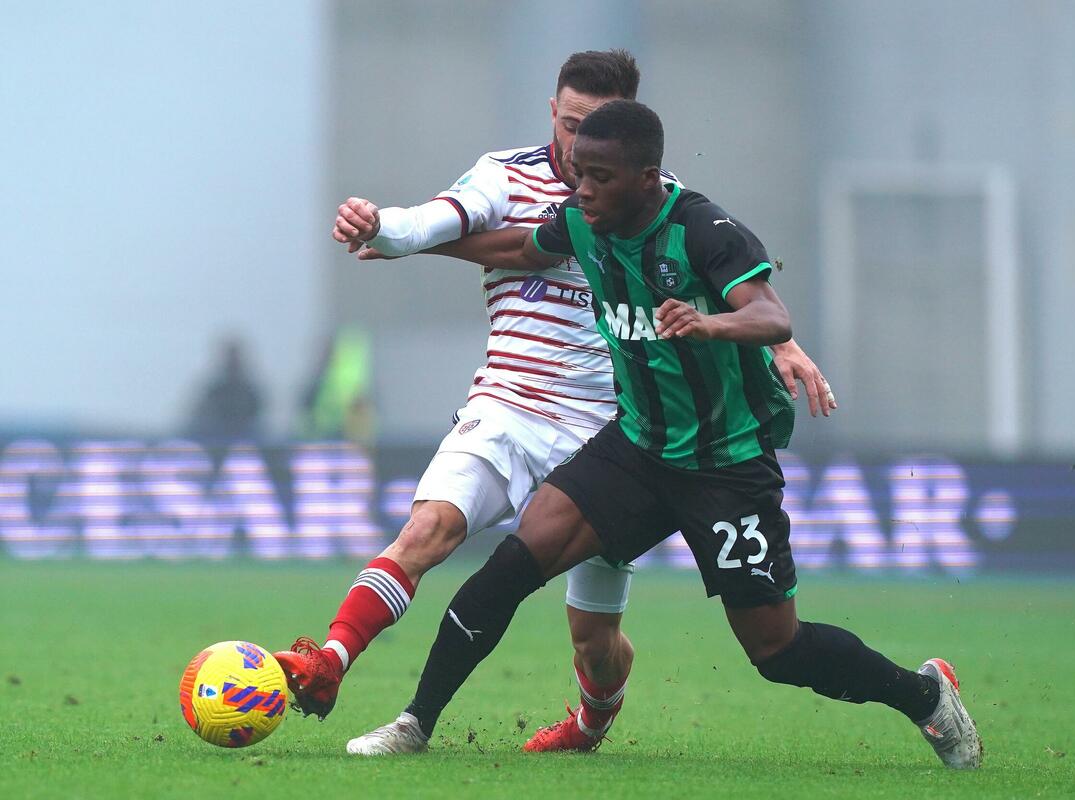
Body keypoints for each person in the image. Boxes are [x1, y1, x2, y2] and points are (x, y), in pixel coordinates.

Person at [355, 100, 981, 767]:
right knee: (511, 565)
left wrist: (711, 324)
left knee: (777, 649)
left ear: (647, 177)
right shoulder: (582, 220)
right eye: (578, 173)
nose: (582, 189)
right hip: (637, 448)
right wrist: (403, 240)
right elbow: (517, 248)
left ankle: (924, 696)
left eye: (600, 177)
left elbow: (772, 317)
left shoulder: (705, 231)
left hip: (725, 464)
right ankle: (414, 724)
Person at [275, 50, 836, 755]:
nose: (575, 147)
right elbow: (449, 224)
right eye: (568, 124)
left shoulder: (656, 201)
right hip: (509, 407)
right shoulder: (506, 176)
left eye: (592, 128)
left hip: (613, 428)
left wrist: (782, 344)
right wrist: (386, 230)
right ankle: (338, 667)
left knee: (596, 640)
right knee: (430, 531)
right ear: (552, 111)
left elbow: (724, 284)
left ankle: (591, 722)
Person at [184, 337, 263, 442]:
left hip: (245, 437)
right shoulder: (214, 390)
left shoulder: (250, 392)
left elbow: (256, 413)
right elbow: (202, 414)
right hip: (215, 437)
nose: (232, 362)